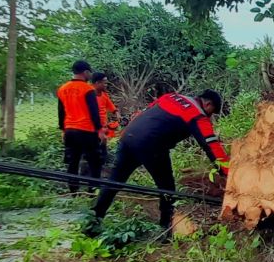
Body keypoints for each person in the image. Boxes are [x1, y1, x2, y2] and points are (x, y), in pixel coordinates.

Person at [90, 89, 229, 234]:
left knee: (115, 181)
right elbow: (211, 145)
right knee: (167, 189)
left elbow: (143, 112)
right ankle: (165, 230)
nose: (210, 116)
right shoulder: (197, 114)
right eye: (212, 112)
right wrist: (227, 172)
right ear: (207, 104)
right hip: (152, 144)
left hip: (128, 137)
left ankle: (94, 219)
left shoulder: (171, 97)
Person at [56, 60, 105, 193]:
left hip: (70, 130)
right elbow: (94, 112)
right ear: (85, 72)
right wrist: (99, 130)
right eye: (89, 72)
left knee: (73, 162)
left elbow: (61, 112)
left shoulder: (62, 89)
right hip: (87, 131)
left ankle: (73, 191)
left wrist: (63, 130)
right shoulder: (88, 89)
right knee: (94, 162)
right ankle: (92, 191)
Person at [91, 71, 119, 166]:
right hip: (92, 127)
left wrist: (116, 112)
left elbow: (110, 105)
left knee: (102, 148)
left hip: (102, 127)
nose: (106, 85)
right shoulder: (89, 95)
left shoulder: (103, 95)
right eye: (105, 82)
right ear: (97, 83)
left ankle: (102, 165)